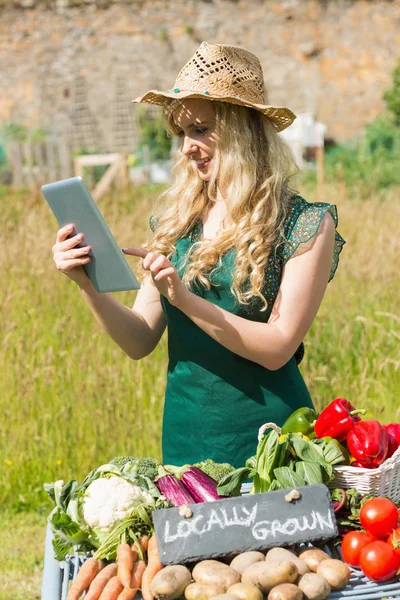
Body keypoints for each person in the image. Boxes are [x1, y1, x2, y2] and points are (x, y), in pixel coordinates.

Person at [52, 42, 345, 468]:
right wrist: (87, 284)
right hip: (186, 440)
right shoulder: (176, 224)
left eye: (202, 129)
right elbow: (138, 340)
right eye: (183, 132)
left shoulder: (305, 224)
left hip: (273, 446)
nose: (188, 146)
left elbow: (279, 347)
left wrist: (183, 298)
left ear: (244, 130)